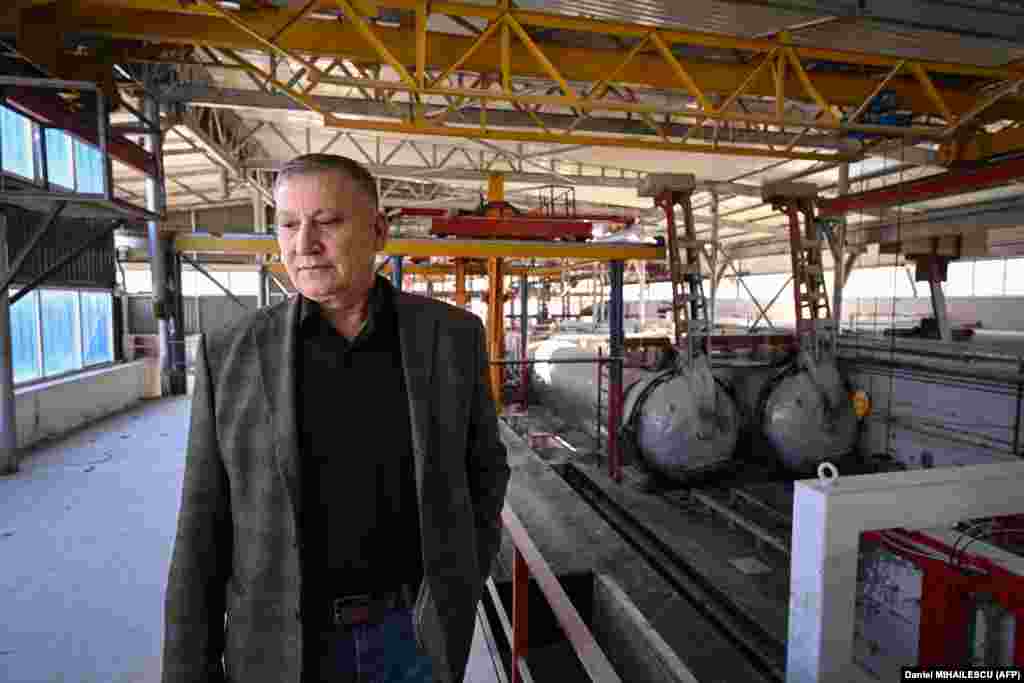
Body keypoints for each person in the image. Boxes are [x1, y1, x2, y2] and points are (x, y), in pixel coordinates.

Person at [162, 154, 511, 683]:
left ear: (378, 232)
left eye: (326, 222)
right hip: (281, 643)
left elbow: (485, 470)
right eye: (287, 224)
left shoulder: (451, 337)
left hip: (411, 636)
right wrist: (189, 668)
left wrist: (460, 580)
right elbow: (201, 525)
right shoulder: (230, 353)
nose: (303, 244)